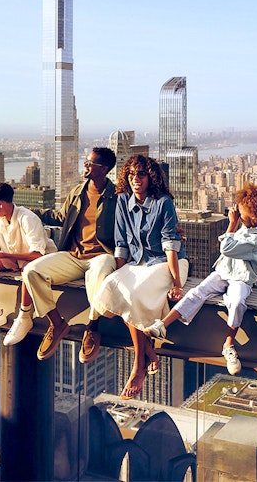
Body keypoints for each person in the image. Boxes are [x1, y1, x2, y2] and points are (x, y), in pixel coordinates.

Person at [144, 183, 257, 375]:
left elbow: (226, 248)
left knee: (237, 301)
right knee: (198, 292)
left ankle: (228, 345)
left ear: (254, 215)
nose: (236, 212)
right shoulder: (246, 228)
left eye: (241, 210)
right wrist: (237, 223)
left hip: (241, 279)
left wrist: (231, 223)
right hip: (223, 272)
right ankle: (162, 325)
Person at [2, 147, 118, 363]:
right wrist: (25, 211)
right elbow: (61, 217)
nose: (86, 165)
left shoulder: (117, 196)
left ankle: (92, 328)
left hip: (102, 254)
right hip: (73, 255)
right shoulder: (77, 192)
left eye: (90, 162)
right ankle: (57, 323)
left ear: (103, 169)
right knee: (32, 271)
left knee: (100, 273)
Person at [93, 155, 188, 400]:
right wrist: (120, 272)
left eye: (141, 174)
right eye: (132, 174)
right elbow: (122, 243)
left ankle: (138, 365)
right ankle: (148, 349)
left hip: (167, 263)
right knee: (112, 287)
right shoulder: (123, 200)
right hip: (137, 263)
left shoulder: (163, 202)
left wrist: (177, 284)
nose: (136, 179)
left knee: (134, 293)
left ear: (151, 177)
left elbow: (170, 245)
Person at [0, 182, 57, 340]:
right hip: (13, 260)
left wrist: (3, 255)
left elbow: (37, 255)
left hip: (39, 263)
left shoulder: (28, 218)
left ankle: (24, 317)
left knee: (28, 269)